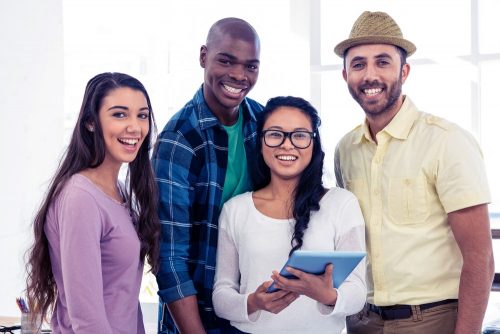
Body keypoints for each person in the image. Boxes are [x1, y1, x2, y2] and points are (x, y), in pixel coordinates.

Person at [333, 11, 495, 334]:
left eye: (383, 62)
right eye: (359, 64)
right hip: (362, 320)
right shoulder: (345, 150)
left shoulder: (446, 142)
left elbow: (481, 259)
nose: (370, 75)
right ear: (345, 75)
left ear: (404, 71)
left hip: (431, 320)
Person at [212, 96, 367, 334]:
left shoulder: (341, 204)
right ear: (261, 142)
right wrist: (254, 302)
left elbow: (357, 291)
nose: (287, 145)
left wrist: (328, 296)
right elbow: (221, 294)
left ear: (314, 143)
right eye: (275, 134)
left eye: (300, 135)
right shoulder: (236, 210)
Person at [25, 72, 160, 333]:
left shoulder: (118, 191)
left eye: (142, 115)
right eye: (119, 114)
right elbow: (87, 319)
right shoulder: (81, 198)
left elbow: (124, 303)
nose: (134, 127)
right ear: (90, 122)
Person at [151, 17, 263, 333]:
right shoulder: (179, 140)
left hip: (253, 311)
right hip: (200, 317)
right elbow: (169, 258)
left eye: (251, 66)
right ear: (203, 57)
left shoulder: (262, 121)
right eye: (226, 61)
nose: (239, 75)